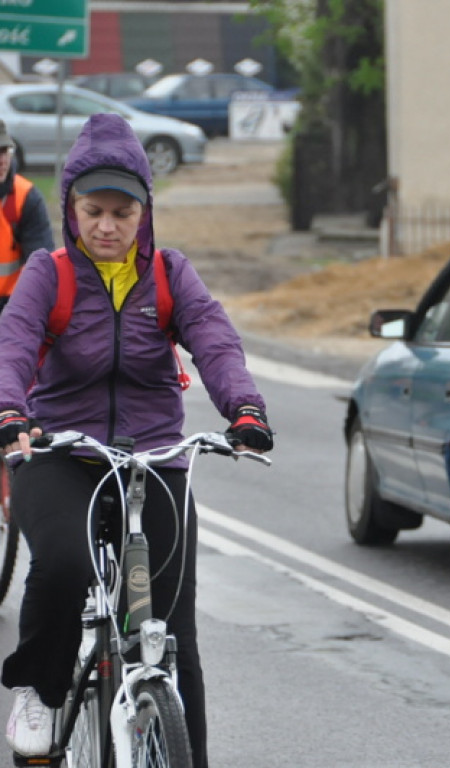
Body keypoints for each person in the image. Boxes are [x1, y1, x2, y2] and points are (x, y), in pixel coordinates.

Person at [0, 112, 273, 766]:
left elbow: (213, 339)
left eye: (122, 213)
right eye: (93, 211)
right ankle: (39, 688)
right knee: (64, 565)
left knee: (174, 632)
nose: (106, 226)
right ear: (72, 209)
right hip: (59, 452)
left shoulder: (170, 275)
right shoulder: (51, 273)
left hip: (153, 462)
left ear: (143, 213)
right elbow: (12, 343)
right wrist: (10, 412)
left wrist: (245, 409)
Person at [0, 118, 55, 314]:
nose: (2, 160)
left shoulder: (25, 197)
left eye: (5, 151)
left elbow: (41, 265)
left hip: (13, 305)